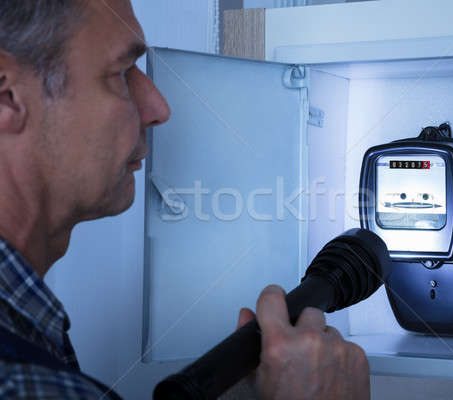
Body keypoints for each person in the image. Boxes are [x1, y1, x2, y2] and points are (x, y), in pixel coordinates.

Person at [0, 0, 370, 398]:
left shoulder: (31, 333)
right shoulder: (32, 388)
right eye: (121, 72)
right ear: (8, 95)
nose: (158, 107)